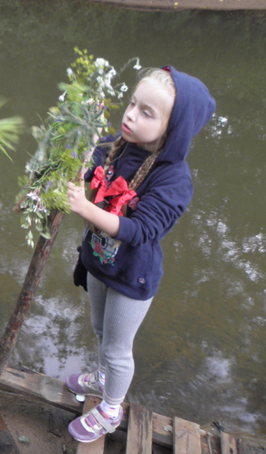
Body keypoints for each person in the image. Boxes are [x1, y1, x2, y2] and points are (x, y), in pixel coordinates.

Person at [64, 66, 215, 443]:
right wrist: (80, 154)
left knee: (118, 349)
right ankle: (102, 378)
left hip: (133, 277)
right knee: (100, 330)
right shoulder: (118, 145)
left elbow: (141, 230)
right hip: (99, 262)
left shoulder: (174, 179)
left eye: (147, 112)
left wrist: (85, 208)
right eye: (132, 103)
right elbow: (91, 165)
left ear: (173, 129)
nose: (130, 115)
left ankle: (111, 409)